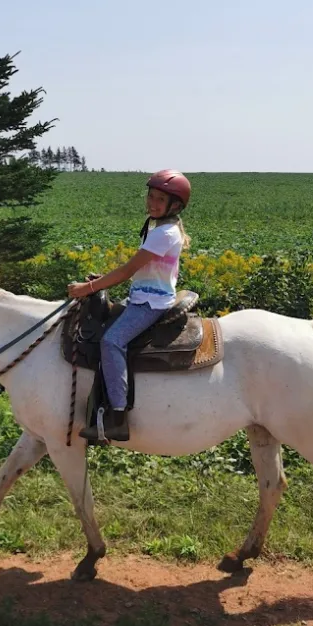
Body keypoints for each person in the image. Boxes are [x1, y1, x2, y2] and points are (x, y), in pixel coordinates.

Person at [67, 169, 191, 442]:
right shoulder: (155, 227)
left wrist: (87, 289)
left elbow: (127, 270)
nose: (153, 203)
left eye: (160, 200)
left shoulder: (166, 233)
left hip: (151, 303)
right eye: (151, 196)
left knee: (112, 341)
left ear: (175, 206)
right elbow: (139, 272)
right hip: (140, 295)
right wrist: (101, 281)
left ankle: (118, 418)